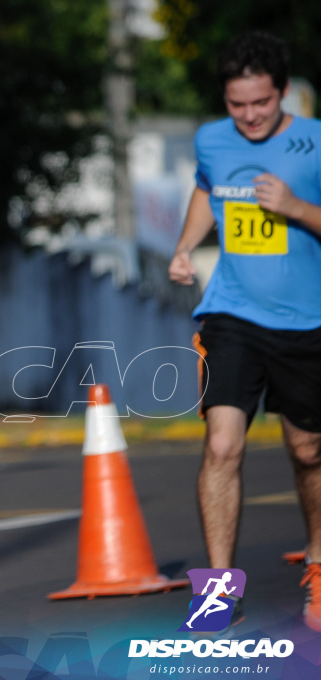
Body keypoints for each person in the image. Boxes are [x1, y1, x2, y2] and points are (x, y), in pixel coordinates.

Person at [168, 31, 321, 632]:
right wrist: (184, 247)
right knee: (223, 445)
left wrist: (297, 209)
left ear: (283, 93)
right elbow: (210, 188)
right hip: (231, 313)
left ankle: (317, 566)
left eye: (261, 103)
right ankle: (216, 593)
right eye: (238, 105)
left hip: (308, 322)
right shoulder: (212, 138)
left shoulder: (314, 144)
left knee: (309, 451)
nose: (250, 116)